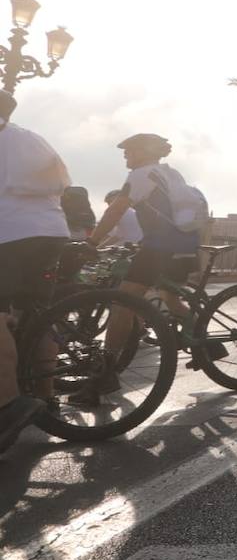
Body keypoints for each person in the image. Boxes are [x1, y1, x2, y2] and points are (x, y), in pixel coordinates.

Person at [84, 134, 205, 403]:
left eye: (129, 151)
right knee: (170, 298)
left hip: (160, 247)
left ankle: (106, 372)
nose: (125, 156)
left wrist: (91, 242)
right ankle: (205, 342)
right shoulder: (170, 174)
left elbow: (115, 211)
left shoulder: (141, 175)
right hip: (184, 247)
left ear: (144, 151)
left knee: (122, 304)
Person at [0, 90, 69, 450]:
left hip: (10, 233)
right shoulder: (29, 138)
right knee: (35, 312)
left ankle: (7, 406)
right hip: (50, 231)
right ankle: (46, 394)